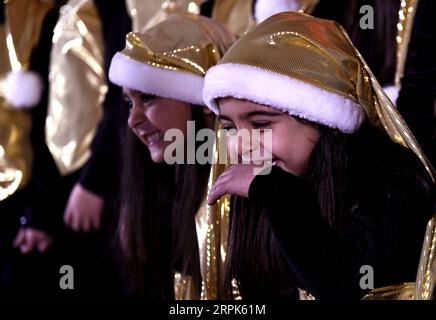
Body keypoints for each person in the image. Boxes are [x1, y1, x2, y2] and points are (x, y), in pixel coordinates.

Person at [203, 12, 435, 300]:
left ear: (323, 120)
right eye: (230, 127)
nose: (240, 146)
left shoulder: (393, 184)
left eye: (261, 124)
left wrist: (276, 191)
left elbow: (346, 286)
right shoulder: (262, 187)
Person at [108, 12, 235, 298]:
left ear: (203, 102)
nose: (133, 120)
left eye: (148, 97)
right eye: (129, 102)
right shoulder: (153, 187)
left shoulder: (245, 192)